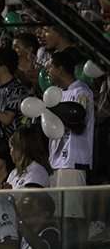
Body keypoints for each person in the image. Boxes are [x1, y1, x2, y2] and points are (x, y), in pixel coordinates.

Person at [47, 51, 94, 191]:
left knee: (72, 211)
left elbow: (79, 124)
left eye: (50, 67)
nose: (47, 71)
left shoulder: (81, 91)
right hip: (55, 163)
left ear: (60, 69)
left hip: (73, 162)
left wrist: (53, 109)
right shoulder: (54, 94)